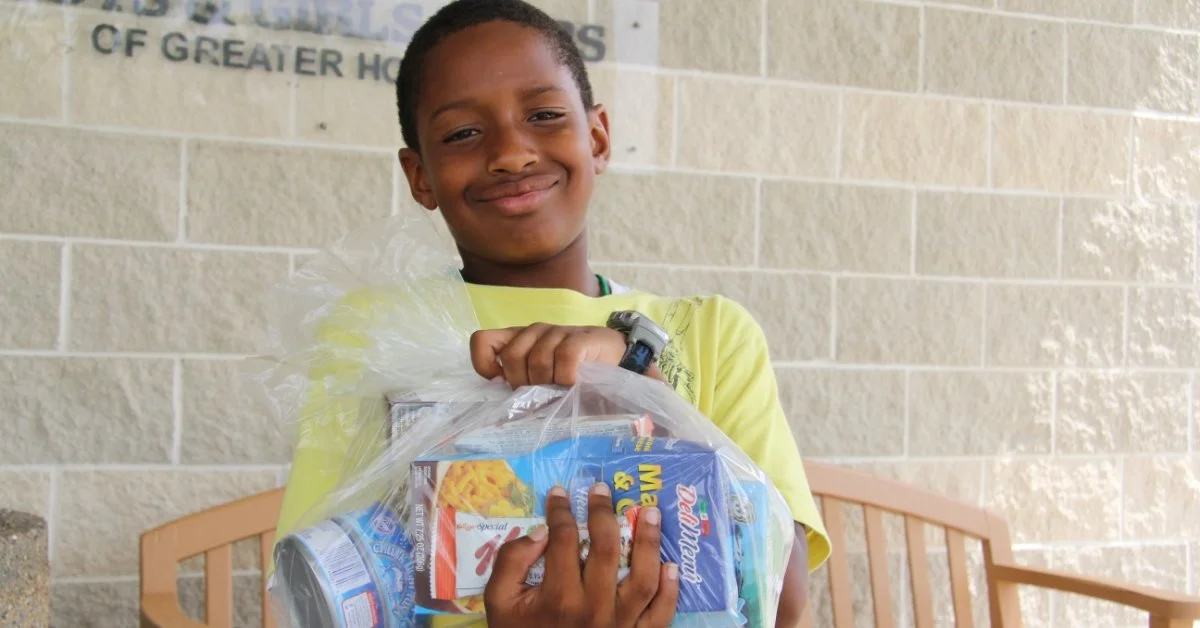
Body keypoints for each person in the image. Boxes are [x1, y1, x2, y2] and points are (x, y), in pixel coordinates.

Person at [272, 0, 831, 626]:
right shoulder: (378, 338)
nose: (512, 153)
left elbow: (780, 600)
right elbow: (329, 586)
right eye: (462, 134)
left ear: (597, 137)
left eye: (543, 115)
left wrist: (633, 381)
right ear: (419, 174)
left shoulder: (708, 336)